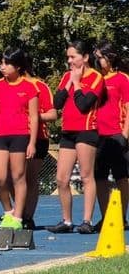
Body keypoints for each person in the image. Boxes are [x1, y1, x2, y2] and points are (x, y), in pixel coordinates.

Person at [0, 49, 39, 232]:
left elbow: (34, 117)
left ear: (18, 66)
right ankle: (8, 210)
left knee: (18, 176)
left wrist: (32, 143)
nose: (2, 67)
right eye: (1, 64)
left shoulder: (30, 87)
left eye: (6, 64)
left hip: (20, 135)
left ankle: (19, 216)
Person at [48, 40, 104, 234]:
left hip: (86, 130)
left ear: (85, 57)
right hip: (68, 131)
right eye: (68, 57)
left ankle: (87, 220)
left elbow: (84, 105)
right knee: (62, 179)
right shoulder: (67, 76)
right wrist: (71, 81)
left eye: (73, 57)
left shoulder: (96, 77)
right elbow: (57, 103)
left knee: (87, 175)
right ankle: (67, 220)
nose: (70, 61)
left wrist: (78, 82)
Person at [91, 40, 129, 227]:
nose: (98, 61)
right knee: (99, 176)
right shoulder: (96, 79)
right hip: (98, 134)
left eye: (100, 58)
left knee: (121, 175)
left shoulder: (122, 78)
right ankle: (106, 216)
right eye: (96, 58)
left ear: (110, 57)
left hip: (117, 133)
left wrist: (125, 134)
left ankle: (121, 215)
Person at [23, 67, 59, 229]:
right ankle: (16, 211)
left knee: (30, 178)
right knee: (6, 177)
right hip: (10, 138)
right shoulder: (2, 85)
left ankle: (27, 216)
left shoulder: (39, 86)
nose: (2, 68)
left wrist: (33, 116)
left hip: (37, 138)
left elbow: (52, 114)